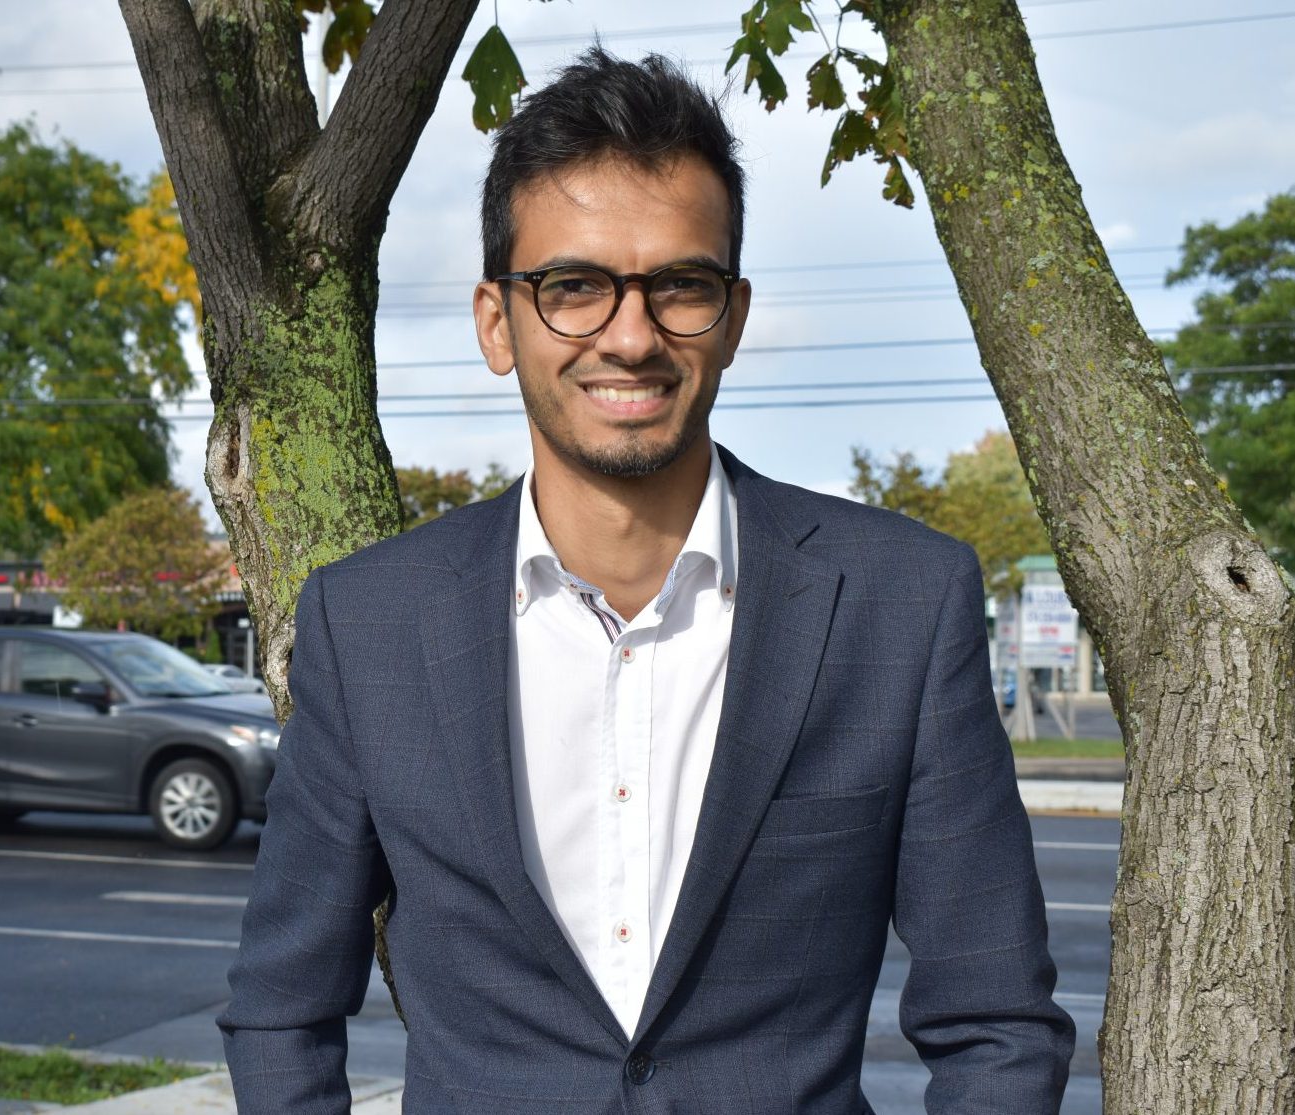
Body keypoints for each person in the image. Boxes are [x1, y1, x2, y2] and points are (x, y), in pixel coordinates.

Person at [219, 48, 1074, 1113]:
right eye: (571, 286)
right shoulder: (369, 621)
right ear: (498, 322)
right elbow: (279, 1008)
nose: (629, 336)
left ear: (732, 314)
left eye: (678, 285)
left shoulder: (900, 602)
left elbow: (995, 1023)